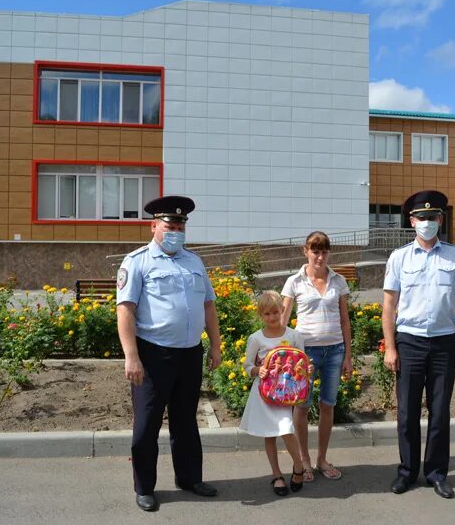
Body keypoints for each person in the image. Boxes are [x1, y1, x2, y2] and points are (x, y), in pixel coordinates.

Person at [116, 195, 222, 513]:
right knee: (147, 425)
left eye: (179, 225)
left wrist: (215, 345)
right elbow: (125, 311)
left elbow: (208, 305)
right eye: (169, 225)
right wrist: (131, 356)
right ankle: (145, 487)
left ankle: (189, 478)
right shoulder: (137, 262)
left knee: (185, 421)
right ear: (154, 226)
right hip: (152, 355)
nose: (175, 230)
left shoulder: (194, 262)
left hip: (189, 354)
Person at [382, 190, 455, 499]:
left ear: (440, 219)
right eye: (421, 217)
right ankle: (407, 471)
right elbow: (388, 306)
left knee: (439, 412)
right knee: (407, 413)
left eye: (432, 217)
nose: (427, 222)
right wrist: (391, 347)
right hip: (409, 342)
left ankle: (436, 473)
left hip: (444, 342)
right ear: (411, 221)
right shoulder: (399, 257)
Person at [281, 231, 352, 482]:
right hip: (304, 354)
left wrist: (348, 356)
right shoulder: (294, 281)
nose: (320, 257)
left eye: (323, 251)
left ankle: (322, 458)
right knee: (301, 406)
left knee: (327, 405)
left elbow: (345, 320)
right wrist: (279, 354)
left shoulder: (338, 280)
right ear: (306, 251)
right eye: (315, 251)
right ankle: (304, 461)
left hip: (334, 351)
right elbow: (283, 319)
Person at [240, 291, 311, 496]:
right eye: (267, 314)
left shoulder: (294, 335)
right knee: (269, 434)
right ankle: (277, 475)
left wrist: (307, 369)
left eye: (275, 312)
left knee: (286, 429)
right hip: (264, 393)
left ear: (283, 310)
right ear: (260, 315)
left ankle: (298, 467)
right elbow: (247, 365)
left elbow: (302, 361)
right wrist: (257, 370)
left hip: (287, 393)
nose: (272, 317)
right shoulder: (256, 339)